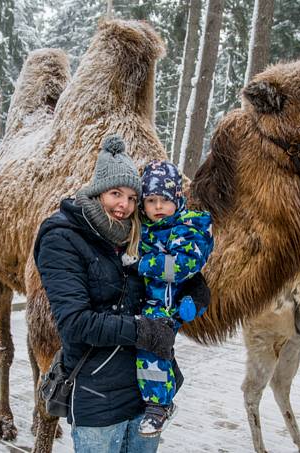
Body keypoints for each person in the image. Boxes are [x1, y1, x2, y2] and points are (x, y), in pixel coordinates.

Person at [33, 135, 181, 452]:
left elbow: (172, 275)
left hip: (145, 392)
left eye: (131, 197)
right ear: (98, 190)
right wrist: (143, 330)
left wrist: (196, 294)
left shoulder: (139, 235)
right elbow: (75, 323)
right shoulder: (63, 238)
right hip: (96, 395)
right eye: (116, 193)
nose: (123, 205)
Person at [133, 159, 214, 437]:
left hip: (168, 305)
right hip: (147, 301)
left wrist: (143, 264)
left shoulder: (188, 228)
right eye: (151, 200)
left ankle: (158, 406)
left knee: (151, 344)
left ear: (177, 199)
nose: (157, 207)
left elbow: (181, 267)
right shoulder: (146, 229)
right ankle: (171, 378)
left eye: (164, 200)